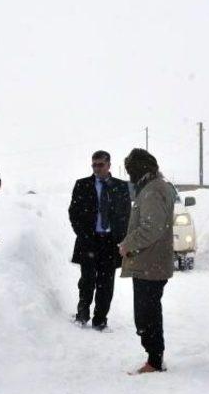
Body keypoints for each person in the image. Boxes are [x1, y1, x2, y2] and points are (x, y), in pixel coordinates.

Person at [119, 148, 175, 374]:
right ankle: (154, 356)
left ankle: (154, 360)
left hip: (150, 264)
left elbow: (151, 228)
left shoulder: (152, 190)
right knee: (147, 313)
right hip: (150, 264)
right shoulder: (154, 187)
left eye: (130, 169)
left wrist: (127, 244)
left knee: (147, 315)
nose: (129, 174)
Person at [68, 150, 131, 331]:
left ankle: (100, 319)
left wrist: (120, 237)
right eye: (94, 165)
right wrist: (83, 234)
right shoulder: (82, 185)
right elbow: (74, 212)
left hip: (110, 242)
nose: (97, 168)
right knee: (87, 280)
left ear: (109, 165)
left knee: (106, 283)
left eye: (100, 165)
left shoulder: (120, 186)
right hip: (89, 240)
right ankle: (82, 314)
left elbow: (126, 214)